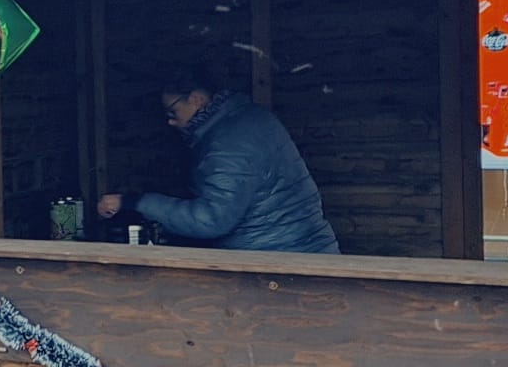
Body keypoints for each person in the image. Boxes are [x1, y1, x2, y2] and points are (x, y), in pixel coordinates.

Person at [99, 66, 339, 254]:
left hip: (280, 263)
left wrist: (136, 202)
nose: (170, 122)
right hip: (301, 251)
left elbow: (212, 219)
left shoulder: (229, 142)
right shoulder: (248, 119)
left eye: (172, 112)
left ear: (196, 100)